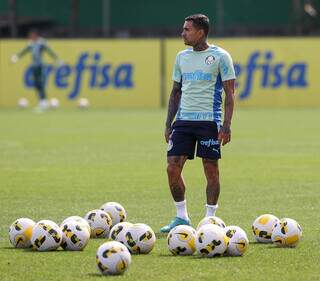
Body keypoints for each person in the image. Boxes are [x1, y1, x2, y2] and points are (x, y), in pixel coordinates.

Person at [160, 14, 236, 233]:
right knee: (172, 167)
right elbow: (175, 92)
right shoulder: (181, 57)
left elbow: (230, 94)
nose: (182, 33)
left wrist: (226, 125)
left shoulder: (221, 56)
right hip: (183, 121)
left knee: (211, 169)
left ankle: (210, 219)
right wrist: (168, 123)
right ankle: (181, 217)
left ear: (200, 32)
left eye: (187, 29)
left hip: (209, 122)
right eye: (183, 29)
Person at [11, 29, 61, 112]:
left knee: (40, 84)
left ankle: (43, 103)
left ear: (35, 35)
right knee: (36, 84)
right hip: (34, 66)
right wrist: (16, 57)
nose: (30, 37)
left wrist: (56, 59)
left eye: (32, 35)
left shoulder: (41, 43)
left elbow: (49, 51)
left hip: (40, 66)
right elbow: (24, 51)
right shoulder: (31, 44)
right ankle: (42, 102)